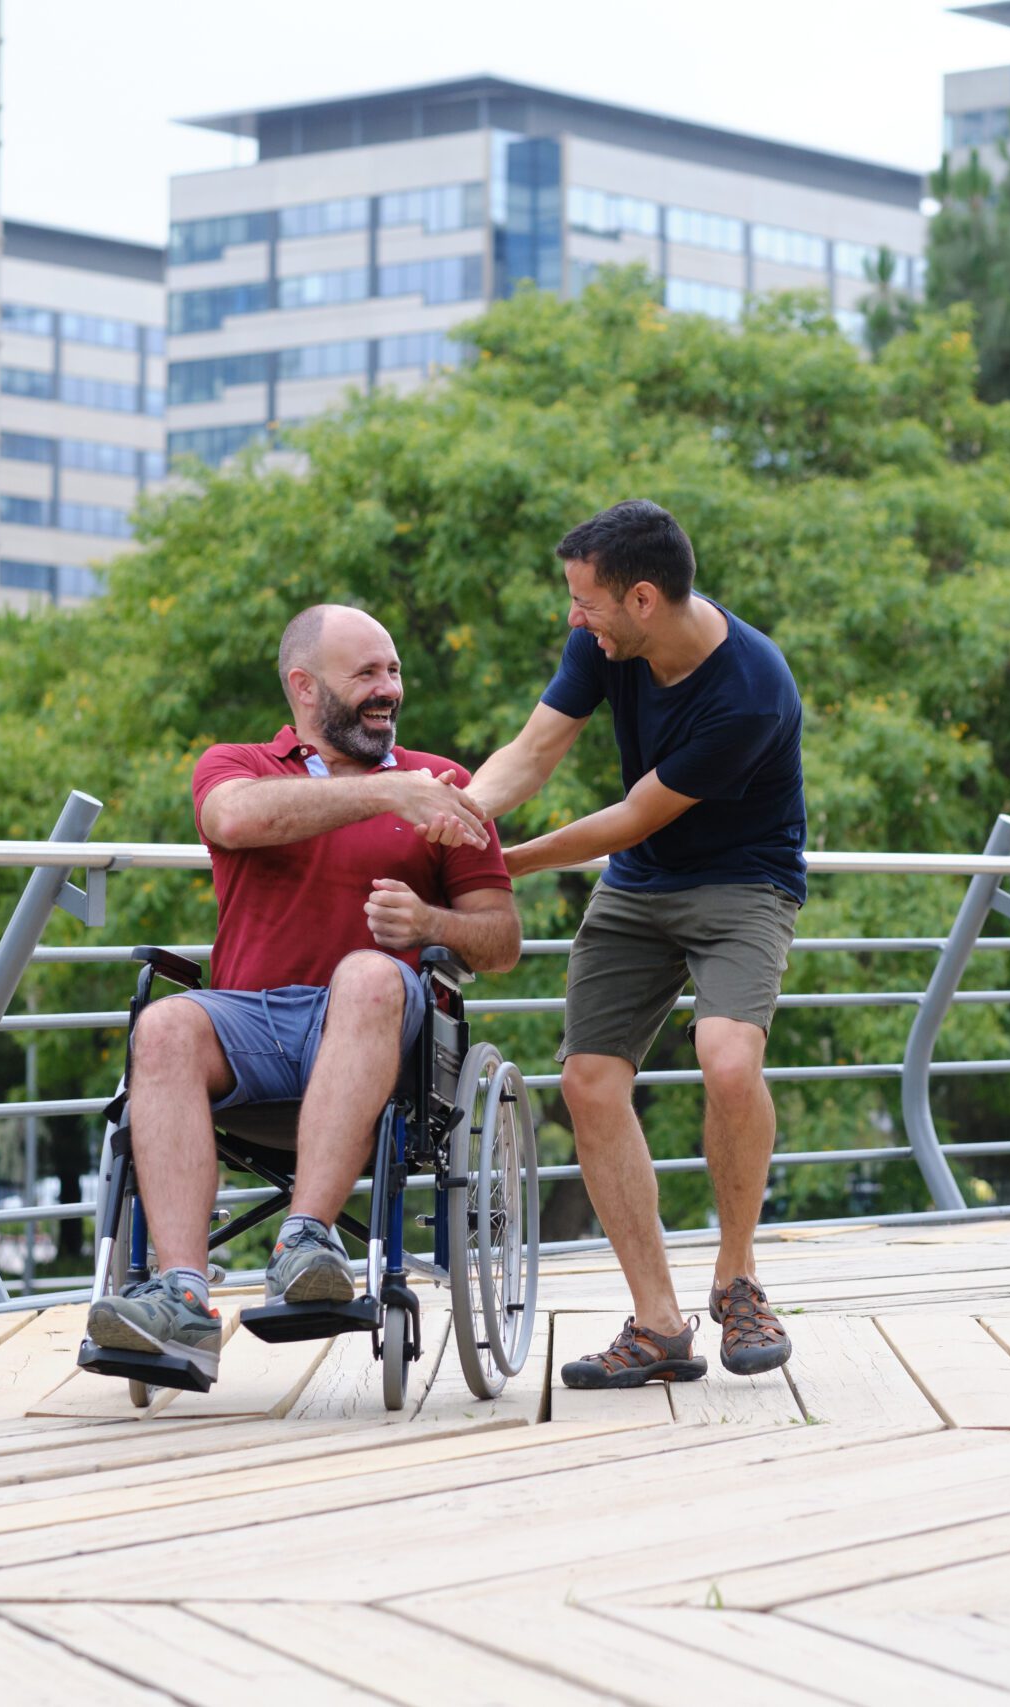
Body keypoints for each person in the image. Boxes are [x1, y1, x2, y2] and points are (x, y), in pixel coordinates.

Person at [84, 604, 519, 1383]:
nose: (389, 689)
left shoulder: (447, 783)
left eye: (393, 671)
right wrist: (389, 795)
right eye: (367, 675)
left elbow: (503, 939)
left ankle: (306, 1240)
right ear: (304, 687)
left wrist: (424, 920)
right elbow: (234, 817)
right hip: (252, 1021)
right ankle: (182, 1296)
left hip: (383, 1025)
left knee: (365, 973)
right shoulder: (238, 763)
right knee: (163, 1027)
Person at [466, 499, 804, 1389]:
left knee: (728, 1060)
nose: (574, 618)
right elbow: (533, 751)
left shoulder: (751, 691)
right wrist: (467, 813)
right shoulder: (604, 644)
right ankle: (658, 1324)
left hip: (741, 883)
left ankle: (737, 1278)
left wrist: (504, 862)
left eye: (586, 601)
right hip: (640, 885)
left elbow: (629, 816)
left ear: (643, 598)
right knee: (587, 1080)